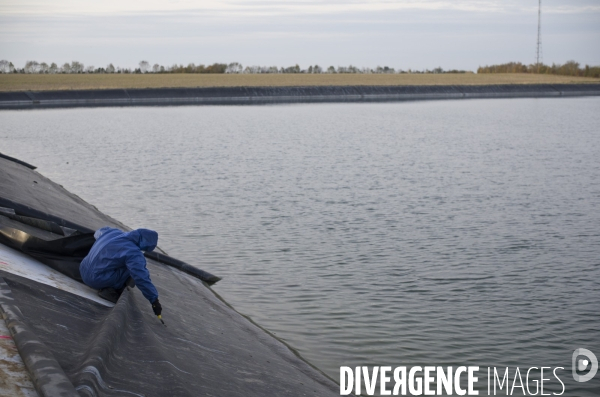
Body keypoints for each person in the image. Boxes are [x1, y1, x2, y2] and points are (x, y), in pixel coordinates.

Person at [80, 227, 162, 317]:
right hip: (95, 279)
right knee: (135, 267)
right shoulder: (133, 252)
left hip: (82, 268)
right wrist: (154, 300)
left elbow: (98, 232)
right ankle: (110, 289)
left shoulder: (113, 232)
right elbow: (141, 277)